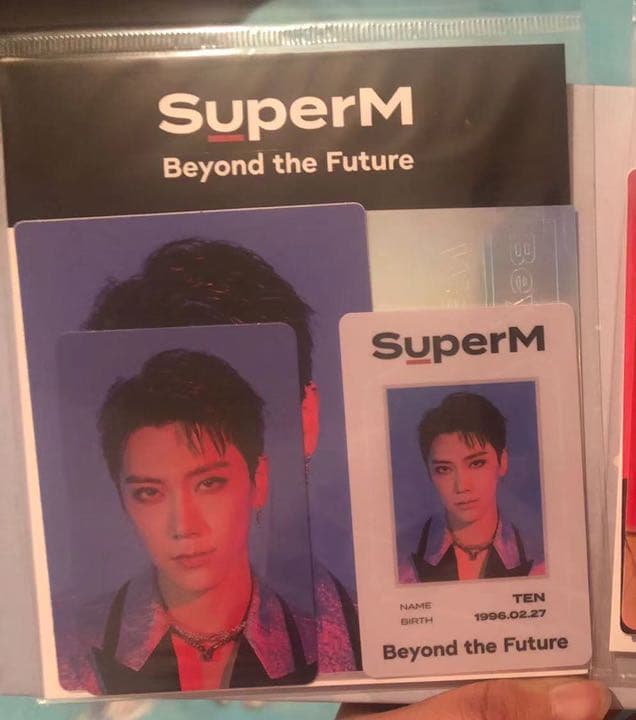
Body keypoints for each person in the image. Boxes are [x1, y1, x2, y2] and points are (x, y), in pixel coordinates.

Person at [82, 238, 361, 673]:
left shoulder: (374, 635)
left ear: (307, 419)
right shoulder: (64, 649)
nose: (185, 525)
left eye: (234, 411)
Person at [57, 349, 316, 694]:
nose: (183, 526)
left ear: (260, 481)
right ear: (123, 501)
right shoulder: (65, 643)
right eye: (149, 492)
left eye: (209, 484)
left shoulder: (331, 638)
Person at [400, 392, 543, 583]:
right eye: (444, 469)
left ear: (502, 462)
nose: (462, 486)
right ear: (429, 473)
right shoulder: (398, 560)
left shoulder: (541, 559)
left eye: (476, 463)